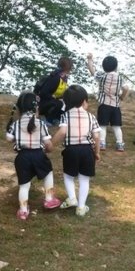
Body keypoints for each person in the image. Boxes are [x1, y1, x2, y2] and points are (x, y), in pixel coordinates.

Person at [6, 91, 61, 220]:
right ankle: (49, 199)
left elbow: (9, 138)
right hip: (38, 155)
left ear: (20, 108)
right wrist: (49, 149)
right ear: (36, 107)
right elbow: (48, 143)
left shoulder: (16, 124)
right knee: (48, 173)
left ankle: (23, 211)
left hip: (22, 157)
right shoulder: (40, 124)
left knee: (24, 185)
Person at [51, 84, 101, 217]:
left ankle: (72, 198)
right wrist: (97, 152)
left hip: (71, 150)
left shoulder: (65, 116)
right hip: (87, 151)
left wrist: (51, 145)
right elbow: (96, 137)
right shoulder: (91, 117)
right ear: (84, 101)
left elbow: (62, 132)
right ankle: (81, 207)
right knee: (84, 179)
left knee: (68, 176)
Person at [86, 52, 129, 152]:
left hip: (104, 105)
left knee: (102, 125)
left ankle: (102, 143)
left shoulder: (102, 76)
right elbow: (126, 88)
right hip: (115, 106)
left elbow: (92, 71)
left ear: (104, 67)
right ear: (116, 67)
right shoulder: (120, 78)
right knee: (117, 126)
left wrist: (90, 59)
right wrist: (122, 97)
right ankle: (120, 144)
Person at [35, 56, 73, 126]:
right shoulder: (55, 78)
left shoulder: (64, 78)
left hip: (52, 101)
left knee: (67, 104)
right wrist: (54, 98)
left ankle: (57, 119)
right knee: (59, 103)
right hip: (42, 103)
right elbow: (44, 93)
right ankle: (47, 119)